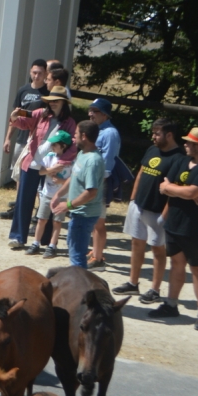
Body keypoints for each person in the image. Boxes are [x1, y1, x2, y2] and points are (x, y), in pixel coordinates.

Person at [148, 127, 198, 331]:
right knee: (176, 263)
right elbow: (165, 184)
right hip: (176, 222)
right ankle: (171, 304)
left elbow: (186, 190)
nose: (185, 145)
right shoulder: (182, 161)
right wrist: (186, 192)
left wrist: (185, 191)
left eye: (189, 143)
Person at [114, 118, 182, 303]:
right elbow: (142, 172)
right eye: (153, 133)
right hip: (139, 206)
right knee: (137, 243)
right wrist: (133, 199)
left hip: (157, 211)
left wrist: (165, 215)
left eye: (157, 133)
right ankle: (133, 283)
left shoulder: (178, 158)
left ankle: (155, 289)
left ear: (169, 135)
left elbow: (175, 189)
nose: (153, 136)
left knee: (158, 250)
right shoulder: (153, 149)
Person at [6, 85, 76, 249]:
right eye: (51, 100)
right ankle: (18, 237)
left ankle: (46, 240)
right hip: (32, 162)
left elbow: (72, 146)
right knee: (24, 201)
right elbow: (24, 122)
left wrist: (60, 166)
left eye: (57, 101)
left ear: (64, 103)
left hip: (53, 166)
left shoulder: (70, 123)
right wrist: (14, 117)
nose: (53, 104)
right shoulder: (40, 113)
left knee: (51, 201)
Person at [52, 120, 104, 268]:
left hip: (85, 214)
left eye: (76, 134)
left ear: (84, 136)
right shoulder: (82, 154)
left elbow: (91, 192)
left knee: (77, 255)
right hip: (78, 212)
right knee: (74, 248)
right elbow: (73, 176)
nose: (73, 138)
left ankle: (80, 287)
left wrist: (68, 205)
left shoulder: (93, 161)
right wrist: (58, 194)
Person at [0, 59, 49, 216]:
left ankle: (35, 210)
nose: (36, 76)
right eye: (34, 72)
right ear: (30, 72)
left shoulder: (47, 93)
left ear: (45, 74)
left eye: (40, 73)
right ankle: (18, 207)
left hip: (36, 141)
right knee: (18, 175)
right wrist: (8, 138)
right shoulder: (23, 90)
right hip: (21, 139)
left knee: (33, 175)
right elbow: (14, 116)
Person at [85, 98, 120, 271]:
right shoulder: (99, 130)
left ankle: (98, 258)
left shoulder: (110, 134)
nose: (90, 114)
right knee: (94, 220)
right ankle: (95, 251)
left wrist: (96, 185)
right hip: (94, 181)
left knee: (99, 221)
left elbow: (107, 162)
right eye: (90, 110)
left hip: (101, 182)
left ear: (105, 114)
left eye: (95, 111)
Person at [26, 130, 73, 257]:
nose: (52, 146)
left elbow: (73, 180)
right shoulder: (50, 156)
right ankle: (36, 243)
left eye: (55, 144)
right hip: (47, 194)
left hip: (62, 197)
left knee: (57, 222)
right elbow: (40, 172)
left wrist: (60, 180)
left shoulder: (71, 162)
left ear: (63, 146)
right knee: (41, 219)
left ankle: (52, 246)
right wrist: (51, 170)